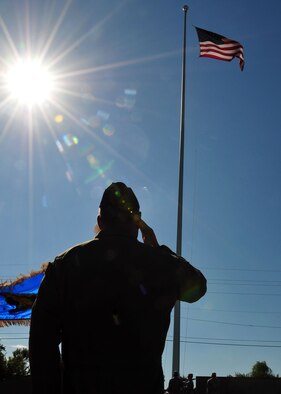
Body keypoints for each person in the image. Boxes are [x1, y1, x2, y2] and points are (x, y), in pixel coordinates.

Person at [29, 182, 207, 394]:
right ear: (137, 221)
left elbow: (42, 343)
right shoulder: (161, 265)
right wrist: (159, 250)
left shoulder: (65, 264)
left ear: (100, 221)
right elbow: (198, 288)